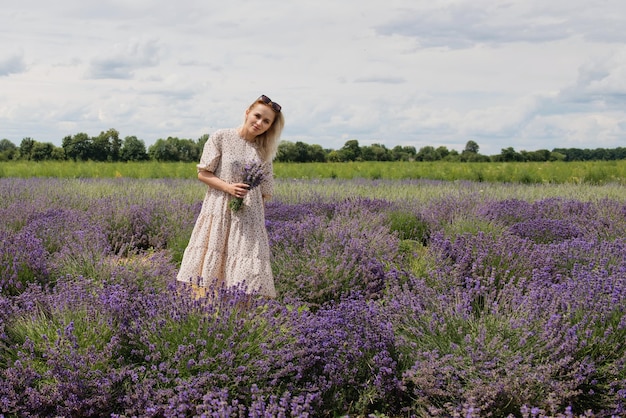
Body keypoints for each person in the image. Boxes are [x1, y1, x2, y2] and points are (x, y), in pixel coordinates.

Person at [176, 94, 284, 298]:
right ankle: (206, 313)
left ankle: (238, 319)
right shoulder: (221, 137)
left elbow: (265, 191)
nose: (259, 123)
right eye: (257, 116)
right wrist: (229, 188)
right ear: (247, 113)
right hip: (218, 210)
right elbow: (203, 173)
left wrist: (253, 217)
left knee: (246, 274)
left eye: (266, 121)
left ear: (270, 127)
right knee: (211, 267)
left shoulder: (264, 151)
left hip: (248, 217)